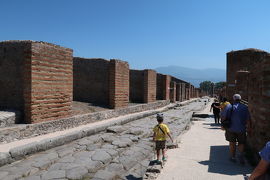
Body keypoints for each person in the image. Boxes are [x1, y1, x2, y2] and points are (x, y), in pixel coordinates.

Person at [222, 94, 250, 164]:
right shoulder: (245, 107)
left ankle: (233, 157)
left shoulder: (229, 107)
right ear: (240, 99)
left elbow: (224, 117)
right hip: (241, 129)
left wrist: (222, 125)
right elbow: (248, 119)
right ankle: (240, 155)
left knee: (232, 143)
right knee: (241, 143)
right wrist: (249, 128)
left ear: (233, 99)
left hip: (230, 128)